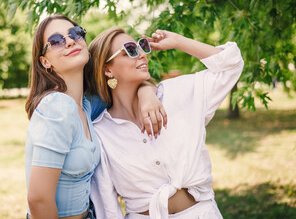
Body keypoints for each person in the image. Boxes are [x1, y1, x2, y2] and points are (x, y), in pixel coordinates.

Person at [88, 27, 244, 219]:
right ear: (107, 69)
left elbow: (231, 64)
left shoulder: (177, 94)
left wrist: (178, 41)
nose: (143, 55)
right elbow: (107, 205)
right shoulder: (100, 132)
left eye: (142, 46)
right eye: (130, 49)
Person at [24, 15, 166, 219]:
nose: (70, 41)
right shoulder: (57, 107)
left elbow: (128, 84)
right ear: (45, 62)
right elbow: (38, 199)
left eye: (75, 33)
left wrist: (146, 92)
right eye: (56, 41)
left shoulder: (88, 104)